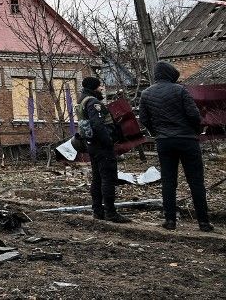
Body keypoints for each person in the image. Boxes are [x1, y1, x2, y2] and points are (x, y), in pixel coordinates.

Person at [138, 61, 214, 232]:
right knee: (195, 181)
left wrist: (157, 132)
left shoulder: (146, 93)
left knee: (168, 181)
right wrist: (194, 131)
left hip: (164, 142)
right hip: (187, 140)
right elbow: (194, 114)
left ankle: (170, 220)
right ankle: (203, 222)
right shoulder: (180, 90)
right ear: (170, 75)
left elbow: (143, 119)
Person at [76, 76, 129, 223]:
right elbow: (98, 125)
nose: (101, 89)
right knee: (108, 179)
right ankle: (111, 212)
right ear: (94, 88)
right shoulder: (93, 102)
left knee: (97, 178)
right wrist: (109, 141)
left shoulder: (82, 101)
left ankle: (98, 211)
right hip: (101, 147)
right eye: (99, 86)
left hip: (92, 145)